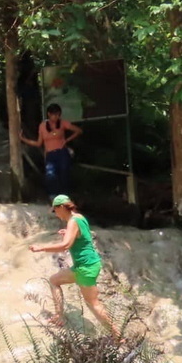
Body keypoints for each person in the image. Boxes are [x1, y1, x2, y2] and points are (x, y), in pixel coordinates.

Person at [29, 194, 115, 335]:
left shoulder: (73, 222)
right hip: (88, 264)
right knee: (54, 280)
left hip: (85, 267)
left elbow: (65, 245)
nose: (55, 214)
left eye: (55, 210)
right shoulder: (79, 218)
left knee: (93, 304)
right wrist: (68, 233)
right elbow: (84, 235)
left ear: (62, 207)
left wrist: (41, 248)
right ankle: (59, 316)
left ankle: (118, 337)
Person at [20, 103, 83, 198]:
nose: (56, 117)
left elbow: (78, 130)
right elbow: (38, 143)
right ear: (49, 114)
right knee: (50, 175)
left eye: (58, 114)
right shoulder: (42, 126)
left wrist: (66, 140)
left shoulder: (62, 123)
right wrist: (23, 139)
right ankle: (53, 197)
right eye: (54, 114)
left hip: (62, 152)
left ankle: (65, 197)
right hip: (50, 153)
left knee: (64, 173)